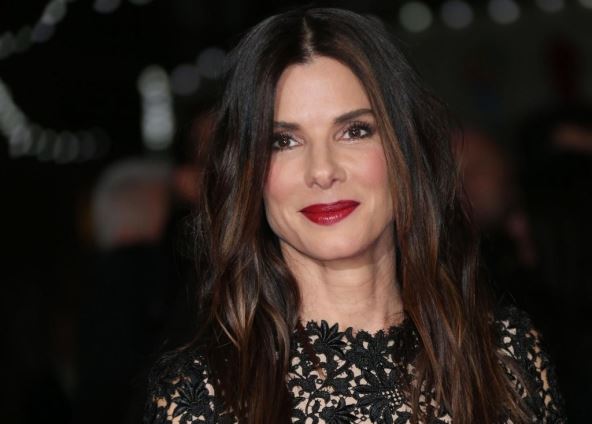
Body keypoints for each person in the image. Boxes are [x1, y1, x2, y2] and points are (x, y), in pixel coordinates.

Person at [143, 8, 565, 424]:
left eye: (354, 131)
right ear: (249, 172)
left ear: (404, 151)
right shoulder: (200, 398)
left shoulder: (506, 354)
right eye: (284, 141)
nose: (323, 171)